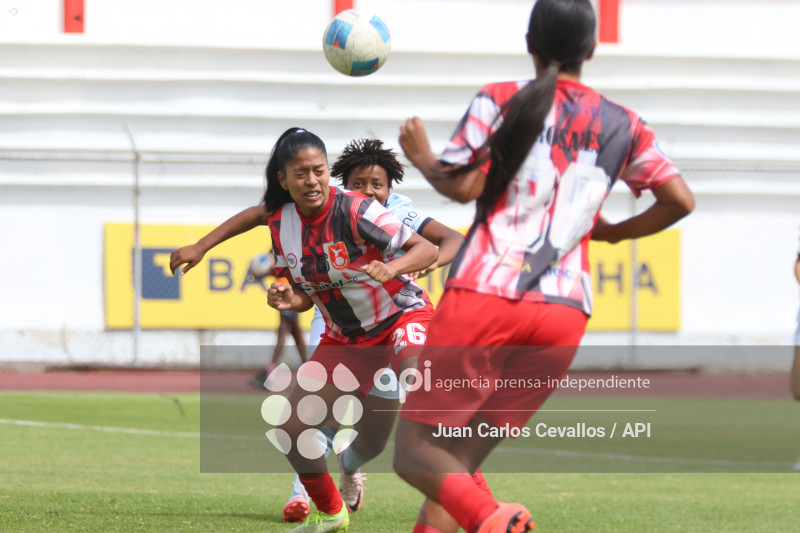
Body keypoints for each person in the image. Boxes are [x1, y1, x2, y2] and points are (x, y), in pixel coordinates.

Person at [391, 1, 695, 532]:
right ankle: (484, 517)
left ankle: (495, 520)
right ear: (592, 50)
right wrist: (614, 233)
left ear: (530, 41)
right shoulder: (623, 122)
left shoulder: (503, 99)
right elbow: (679, 199)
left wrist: (420, 156)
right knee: (456, 461)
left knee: (415, 453)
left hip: (486, 294)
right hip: (562, 312)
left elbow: (461, 186)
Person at [171, 127, 438, 533]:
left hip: (401, 317)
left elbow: (428, 249)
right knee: (293, 432)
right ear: (283, 179)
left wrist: (394, 267)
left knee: (421, 379)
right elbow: (303, 296)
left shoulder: (356, 209)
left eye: (319, 170)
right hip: (346, 340)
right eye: (301, 173)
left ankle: (476, 503)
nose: (312, 180)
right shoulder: (283, 224)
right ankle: (333, 513)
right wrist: (287, 299)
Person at [282, 138, 465, 523]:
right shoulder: (329, 208)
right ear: (341, 185)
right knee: (312, 409)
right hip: (335, 323)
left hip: (393, 320)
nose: (368, 191)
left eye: (377, 185)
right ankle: (305, 494)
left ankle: (350, 466)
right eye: (359, 184)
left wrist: (424, 264)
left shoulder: (398, 213)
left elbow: (452, 242)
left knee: (378, 429)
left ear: (389, 189)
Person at [246, 252, 308, 389]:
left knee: (283, 333)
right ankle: (309, 371)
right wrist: (259, 271)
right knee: (296, 334)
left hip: (288, 296)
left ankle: (270, 372)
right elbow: (265, 272)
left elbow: (276, 269)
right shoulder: (275, 253)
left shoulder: (284, 253)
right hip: (285, 296)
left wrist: (264, 269)